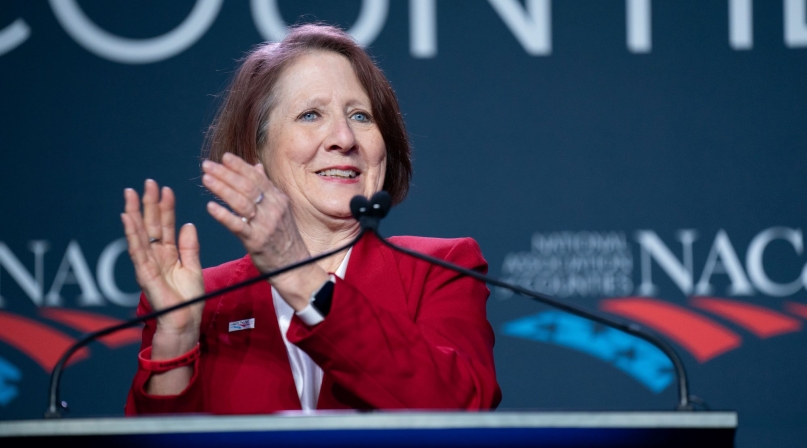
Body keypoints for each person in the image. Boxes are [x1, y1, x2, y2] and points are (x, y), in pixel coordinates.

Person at [122, 23, 501, 414]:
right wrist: (178, 336)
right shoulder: (209, 301)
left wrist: (300, 277)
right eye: (310, 115)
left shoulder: (438, 269)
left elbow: (461, 408)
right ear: (257, 151)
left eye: (360, 116)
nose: (344, 138)